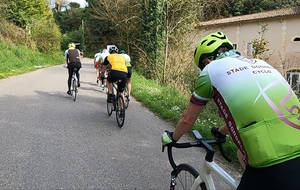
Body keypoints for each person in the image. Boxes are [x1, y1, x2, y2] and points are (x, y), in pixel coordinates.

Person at [161, 31, 300, 189]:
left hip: (271, 159)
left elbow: (187, 119)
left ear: (206, 61)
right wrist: (221, 131)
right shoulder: (262, 64)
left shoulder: (210, 70)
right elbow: (253, 113)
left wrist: (173, 137)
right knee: (241, 153)